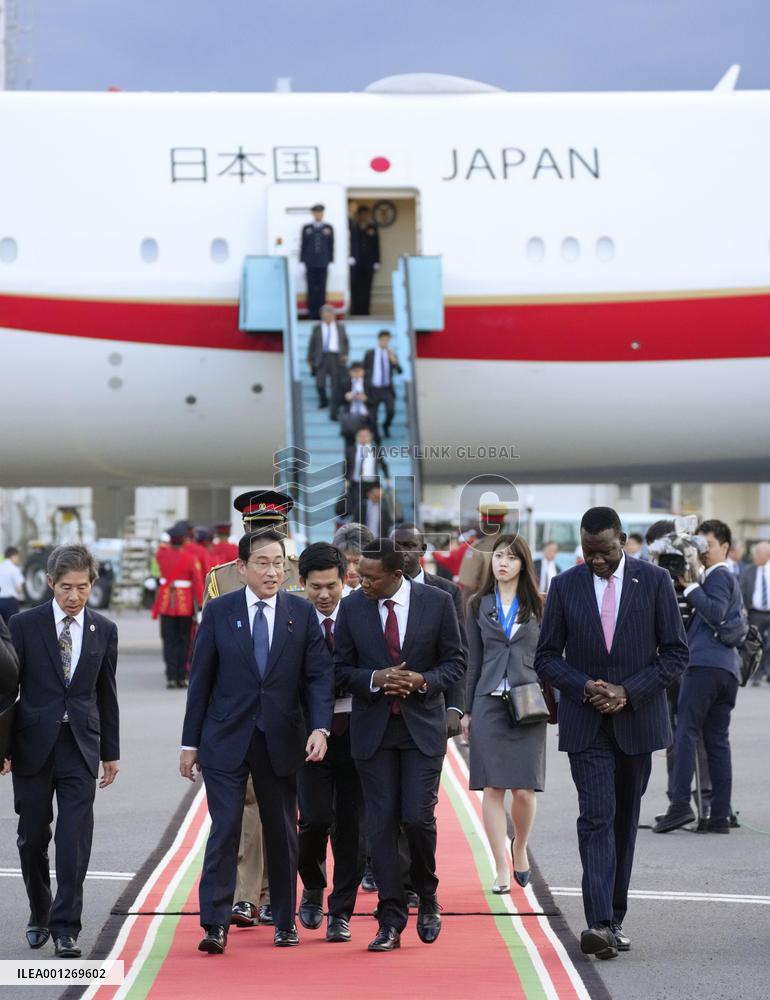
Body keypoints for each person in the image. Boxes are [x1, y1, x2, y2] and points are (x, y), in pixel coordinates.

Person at [535, 507, 687, 960]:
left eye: (603, 552)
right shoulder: (565, 586)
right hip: (587, 724)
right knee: (596, 818)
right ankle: (598, 922)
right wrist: (584, 687)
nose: (595, 560)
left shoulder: (655, 582)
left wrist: (627, 691)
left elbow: (675, 654)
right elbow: (546, 657)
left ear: (621, 539)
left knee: (623, 823)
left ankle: (615, 918)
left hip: (636, 722)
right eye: (587, 552)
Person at [180, 530, 334, 954]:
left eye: (278, 563)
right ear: (242, 567)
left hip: (282, 738)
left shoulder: (299, 614)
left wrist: (319, 728)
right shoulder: (219, 612)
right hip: (225, 738)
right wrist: (189, 743)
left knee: (282, 831)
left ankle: (284, 920)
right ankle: (214, 924)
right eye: (263, 563)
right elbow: (201, 682)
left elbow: (319, 676)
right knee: (225, 829)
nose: (272, 571)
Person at [334, 539, 465, 951]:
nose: (361, 583)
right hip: (373, 731)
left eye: (370, 578)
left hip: (421, 729)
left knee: (417, 818)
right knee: (381, 824)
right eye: (359, 577)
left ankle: (427, 897)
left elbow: (456, 662)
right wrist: (375, 678)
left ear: (396, 575)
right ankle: (389, 919)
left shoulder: (437, 602)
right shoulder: (354, 607)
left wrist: (422, 680)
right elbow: (339, 669)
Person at [2, 544, 119, 958]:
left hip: (80, 748)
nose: (74, 596)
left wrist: (111, 752)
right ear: (50, 583)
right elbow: (8, 691)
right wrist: (3, 747)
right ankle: (40, 912)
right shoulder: (23, 624)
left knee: (73, 840)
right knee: (32, 838)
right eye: (66, 587)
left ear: (92, 584)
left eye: (83, 587)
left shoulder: (103, 629)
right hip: (32, 747)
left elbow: (107, 695)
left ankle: (67, 927)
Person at [204, 490, 302, 931]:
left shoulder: (300, 573)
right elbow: (210, 649)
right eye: (255, 532)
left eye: (273, 532)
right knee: (243, 803)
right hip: (240, 711)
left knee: (278, 810)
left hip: (286, 712)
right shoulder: (222, 578)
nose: (269, 563)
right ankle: (246, 896)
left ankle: (271, 893)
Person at [464, 534, 546, 892]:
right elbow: (472, 661)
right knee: (493, 787)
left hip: (527, 703)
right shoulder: (478, 604)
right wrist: (465, 711)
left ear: (523, 564)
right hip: (488, 701)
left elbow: (550, 654)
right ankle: (500, 864)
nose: (503, 563)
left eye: (512, 558)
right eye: (499, 556)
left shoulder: (541, 604)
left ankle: (520, 846)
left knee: (525, 791)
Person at [654, 520, 743, 834]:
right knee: (717, 741)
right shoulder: (718, 577)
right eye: (700, 546)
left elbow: (716, 612)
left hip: (704, 667)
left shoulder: (719, 576)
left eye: (709, 546)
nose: (703, 552)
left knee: (685, 734)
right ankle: (719, 814)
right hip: (726, 670)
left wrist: (690, 588)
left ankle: (680, 806)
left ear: (725, 548)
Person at [296, 543, 365, 944]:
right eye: (316, 587)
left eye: (332, 586)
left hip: (357, 733)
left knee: (352, 829)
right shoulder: (294, 618)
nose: (324, 595)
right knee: (315, 820)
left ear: (345, 580)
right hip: (310, 736)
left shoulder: (358, 614)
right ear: (302, 584)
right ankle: (312, 886)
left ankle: (341, 911)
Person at [391, 523, 468, 736]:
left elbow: (458, 653)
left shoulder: (447, 592)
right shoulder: (374, 591)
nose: (402, 553)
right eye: (396, 546)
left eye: (409, 546)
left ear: (423, 549)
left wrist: (455, 707)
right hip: (385, 711)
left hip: (431, 705)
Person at [205, 489, 303, 601]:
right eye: (256, 525)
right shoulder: (221, 578)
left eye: (272, 525)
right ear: (245, 528)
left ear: (285, 528)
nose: (264, 532)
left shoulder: (304, 572)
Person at [151, 524, 204, 689]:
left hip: (166, 604)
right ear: (183, 541)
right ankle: (181, 676)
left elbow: (160, 551)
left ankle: (171, 677)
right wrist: (202, 604)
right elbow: (197, 583)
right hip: (184, 604)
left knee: (169, 641)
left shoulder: (161, 555)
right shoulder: (190, 559)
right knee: (184, 641)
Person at [458, 504, 510, 606]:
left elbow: (469, 587)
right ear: (503, 524)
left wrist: (464, 618)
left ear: (482, 524)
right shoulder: (515, 546)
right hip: (513, 609)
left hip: (484, 610)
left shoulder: (477, 548)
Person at [307, 304, 349, 415]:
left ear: (334, 315)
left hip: (336, 357)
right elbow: (312, 344)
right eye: (325, 314)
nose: (328, 316)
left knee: (335, 384)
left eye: (330, 314)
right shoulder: (317, 328)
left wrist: (345, 354)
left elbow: (345, 342)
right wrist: (310, 359)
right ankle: (323, 400)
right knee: (319, 384)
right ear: (321, 315)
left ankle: (334, 407)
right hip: (321, 357)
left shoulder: (340, 327)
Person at [346, 426, 389, 525]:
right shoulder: (351, 450)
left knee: (374, 506)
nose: (363, 438)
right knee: (357, 506)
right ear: (357, 437)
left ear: (370, 437)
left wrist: (387, 477)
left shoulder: (375, 450)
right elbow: (347, 465)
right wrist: (346, 479)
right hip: (357, 482)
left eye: (366, 435)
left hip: (372, 482)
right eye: (361, 436)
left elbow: (383, 464)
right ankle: (358, 526)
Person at [740, 541, 770, 685]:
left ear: (767, 554)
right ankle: (757, 674)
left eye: (758, 553)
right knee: (756, 644)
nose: (755, 556)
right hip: (756, 613)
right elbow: (742, 590)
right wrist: (744, 607)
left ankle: (768, 672)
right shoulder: (749, 570)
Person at [364, 331, 402, 439]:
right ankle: (376, 438)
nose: (385, 342)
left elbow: (400, 371)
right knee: (373, 416)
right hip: (373, 389)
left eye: (387, 340)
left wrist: (394, 361)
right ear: (379, 340)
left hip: (386, 389)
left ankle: (386, 426)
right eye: (383, 339)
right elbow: (364, 370)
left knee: (391, 410)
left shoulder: (391, 354)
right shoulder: (370, 353)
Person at [300, 204, 334, 320]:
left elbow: (331, 246)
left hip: (323, 262)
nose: (318, 214)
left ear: (323, 214)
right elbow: (303, 246)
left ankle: (322, 312)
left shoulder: (328, 228)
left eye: (320, 212)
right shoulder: (307, 228)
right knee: (311, 287)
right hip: (310, 262)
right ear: (313, 214)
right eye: (316, 212)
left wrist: (331, 260)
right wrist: (302, 261)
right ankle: (312, 312)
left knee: (322, 287)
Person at [349, 205, 380, 315]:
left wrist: (377, 261)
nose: (364, 217)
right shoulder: (354, 226)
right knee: (356, 287)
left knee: (367, 287)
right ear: (359, 216)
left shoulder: (372, 227)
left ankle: (365, 311)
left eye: (366, 215)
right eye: (362, 214)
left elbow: (376, 245)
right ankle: (355, 310)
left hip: (369, 262)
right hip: (356, 262)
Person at [332, 523, 375, 597]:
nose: (351, 570)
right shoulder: (327, 596)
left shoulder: (380, 594)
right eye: (345, 562)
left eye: (357, 562)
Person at [0, 546, 25, 622]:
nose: (18, 559)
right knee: (12, 626)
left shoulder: (0, 567)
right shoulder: (14, 569)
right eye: (17, 557)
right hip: (10, 602)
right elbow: (19, 589)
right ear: (13, 556)